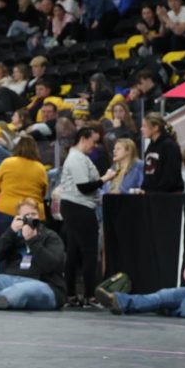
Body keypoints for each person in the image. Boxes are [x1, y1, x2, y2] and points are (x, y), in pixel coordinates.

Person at [59, 127, 113, 306]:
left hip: (74, 206)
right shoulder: (76, 159)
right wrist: (105, 178)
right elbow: (84, 186)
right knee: (89, 253)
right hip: (79, 207)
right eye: (93, 141)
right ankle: (90, 296)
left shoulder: (78, 157)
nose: (95, 146)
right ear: (83, 138)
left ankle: (71, 295)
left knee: (74, 252)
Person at [0, 133, 48, 237]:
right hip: (33, 214)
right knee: (33, 249)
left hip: (6, 211)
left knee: (5, 248)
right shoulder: (40, 168)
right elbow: (44, 193)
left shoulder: (7, 163)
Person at [140, 113, 184, 192]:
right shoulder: (151, 146)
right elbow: (148, 173)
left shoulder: (169, 146)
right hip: (152, 196)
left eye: (144, 126)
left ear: (155, 128)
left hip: (167, 197)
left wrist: (154, 191)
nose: (141, 129)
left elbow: (170, 176)